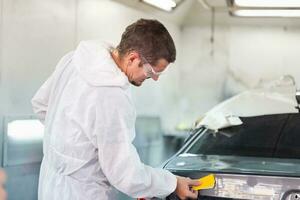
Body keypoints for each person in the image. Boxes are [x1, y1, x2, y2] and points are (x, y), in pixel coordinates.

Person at [32, 18, 200, 200]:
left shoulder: (75, 59)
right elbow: (125, 174)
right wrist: (173, 184)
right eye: (152, 72)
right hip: (84, 192)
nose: (155, 79)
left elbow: (41, 105)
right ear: (133, 58)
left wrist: (69, 149)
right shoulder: (111, 95)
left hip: (49, 184)